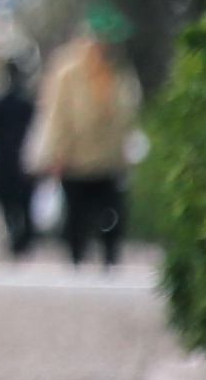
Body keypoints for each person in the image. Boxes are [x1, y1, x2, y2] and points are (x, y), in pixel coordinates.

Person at [28, 14, 141, 266]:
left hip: (110, 157)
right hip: (75, 157)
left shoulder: (119, 71)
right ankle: (76, 257)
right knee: (76, 213)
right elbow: (57, 114)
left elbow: (129, 110)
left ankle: (109, 258)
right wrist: (55, 153)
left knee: (111, 212)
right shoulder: (67, 71)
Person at [0, 58, 39, 254]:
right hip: (21, 160)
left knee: (10, 202)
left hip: (8, 160)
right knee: (22, 203)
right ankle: (22, 236)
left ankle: (18, 236)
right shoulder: (27, 104)